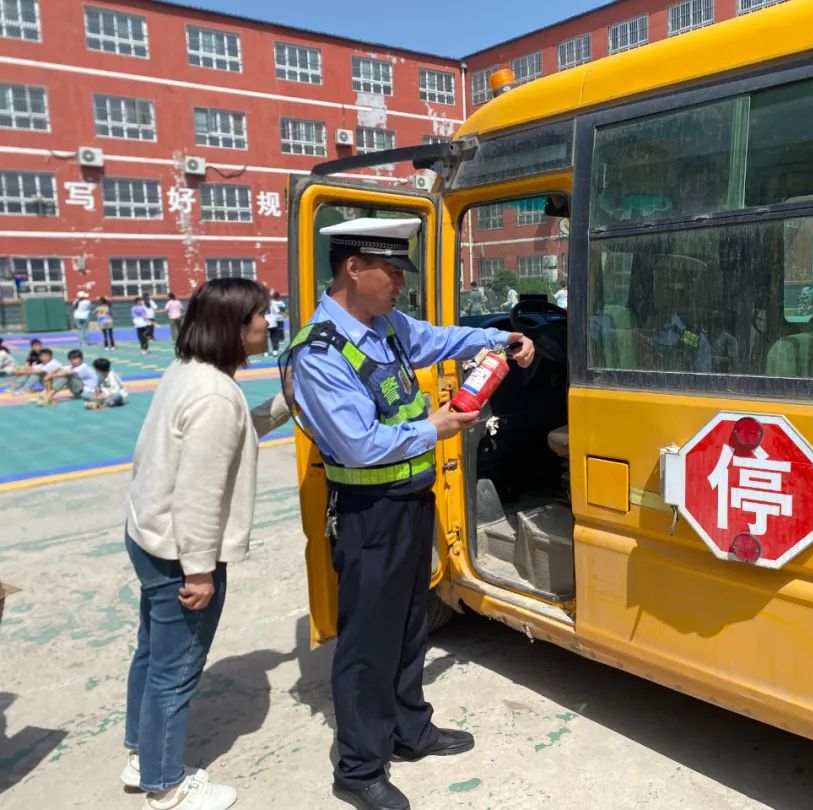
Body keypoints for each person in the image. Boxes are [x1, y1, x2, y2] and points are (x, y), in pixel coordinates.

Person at [287, 218, 535, 810]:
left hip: (410, 502)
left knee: (407, 626)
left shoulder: (387, 326)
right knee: (367, 642)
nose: (400, 284)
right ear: (353, 268)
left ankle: (409, 730)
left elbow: (439, 339)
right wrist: (437, 427)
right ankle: (358, 767)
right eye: (392, 272)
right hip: (369, 513)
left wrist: (497, 340)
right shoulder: (319, 350)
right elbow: (357, 443)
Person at [120, 278, 291, 810]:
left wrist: (286, 403)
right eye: (261, 315)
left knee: (151, 656)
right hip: (181, 553)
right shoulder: (216, 395)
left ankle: (140, 755)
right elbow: (199, 493)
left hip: (148, 535)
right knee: (175, 670)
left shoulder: (191, 373)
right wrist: (199, 572)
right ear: (235, 327)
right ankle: (165, 784)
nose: (269, 323)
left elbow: (231, 437)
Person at [265, 291, 287, 356]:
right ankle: (275, 350)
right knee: (274, 336)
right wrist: (283, 314)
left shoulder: (260, 303)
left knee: (264, 338)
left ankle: (265, 351)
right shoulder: (272, 303)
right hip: (272, 322)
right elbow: (278, 311)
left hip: (264, 322)